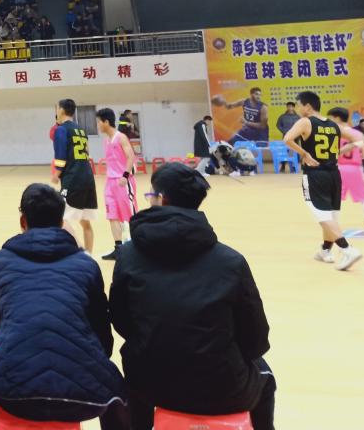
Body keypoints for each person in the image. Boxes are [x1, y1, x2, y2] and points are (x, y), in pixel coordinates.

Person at [110, 163, 276, 430]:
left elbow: (121, 320)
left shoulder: (128, 255)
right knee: (266, 377)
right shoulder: (231, 261)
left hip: (151, 384)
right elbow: (256, 340)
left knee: (135, 379)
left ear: (162, 198)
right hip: (222, 390)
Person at [0, 184, 128, 429]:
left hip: (11, 393)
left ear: (23, 221)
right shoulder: (86, 266)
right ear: (61, 222)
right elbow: (103, 337)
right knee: (119, 395)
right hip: (81, 397)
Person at [284, 91, 362, 270]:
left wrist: (304, 153)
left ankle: (347, 250)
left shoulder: (305, 122)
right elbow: (355, 139)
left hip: (315, 174)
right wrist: (338, 152)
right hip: (334, 174)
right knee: (331, 216)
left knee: (322, 215)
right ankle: (325, 250)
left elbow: (287, 139)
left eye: (299, 105)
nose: (298, 109)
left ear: (307, 106)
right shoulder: (334, 125)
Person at [52, 98, 97, 253]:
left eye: (57, 108)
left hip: (73, 179)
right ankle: (89, 256)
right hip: (88, 178)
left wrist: (56, 174)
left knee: (59, 217)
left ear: (62, 110)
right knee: (85, 222)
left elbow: (60, 157)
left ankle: (80, 252)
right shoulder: (81, 130)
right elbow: (87, 153)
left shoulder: (61, 130)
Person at [97, 108, 138, 260]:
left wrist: (125, 175)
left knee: (130, 215)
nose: (98, 125)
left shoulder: (121, 137)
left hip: (123, 181)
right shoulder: (106, 140)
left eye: (99, 122)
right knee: (112, 215)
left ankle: (138, 245)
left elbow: (131, 157)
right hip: (110, 182)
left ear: (106, 122)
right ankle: (118, 249)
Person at [326, 107, 364, 230]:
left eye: (331, 118)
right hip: (355, 169)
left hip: (339, 168)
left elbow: (331, 153)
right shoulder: (358, 134)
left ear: (337, 118)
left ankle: (333, 227)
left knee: (335, 198)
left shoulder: (333, 133)